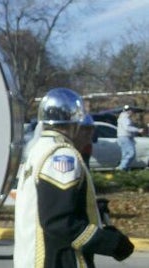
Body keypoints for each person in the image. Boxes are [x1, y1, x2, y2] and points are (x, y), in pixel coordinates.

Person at [14, 88, 134, 268]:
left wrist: (86, 208)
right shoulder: (61, 155)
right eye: (85, 129)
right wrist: (111, 243)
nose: (87, 136)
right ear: (75, 124)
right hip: (55, 261)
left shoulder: (38, 149)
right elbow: (59, 222)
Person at [116, 105, 144, 171]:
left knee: (125, 154)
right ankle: (121, 168)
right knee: (131, 153)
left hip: (123, 137)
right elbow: (127, 128)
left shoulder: (123, 117)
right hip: (125, 137)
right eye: (132, 111)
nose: (132, 112)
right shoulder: (125, 118)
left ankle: (125, 170)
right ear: (129, 111)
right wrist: (138, 130)